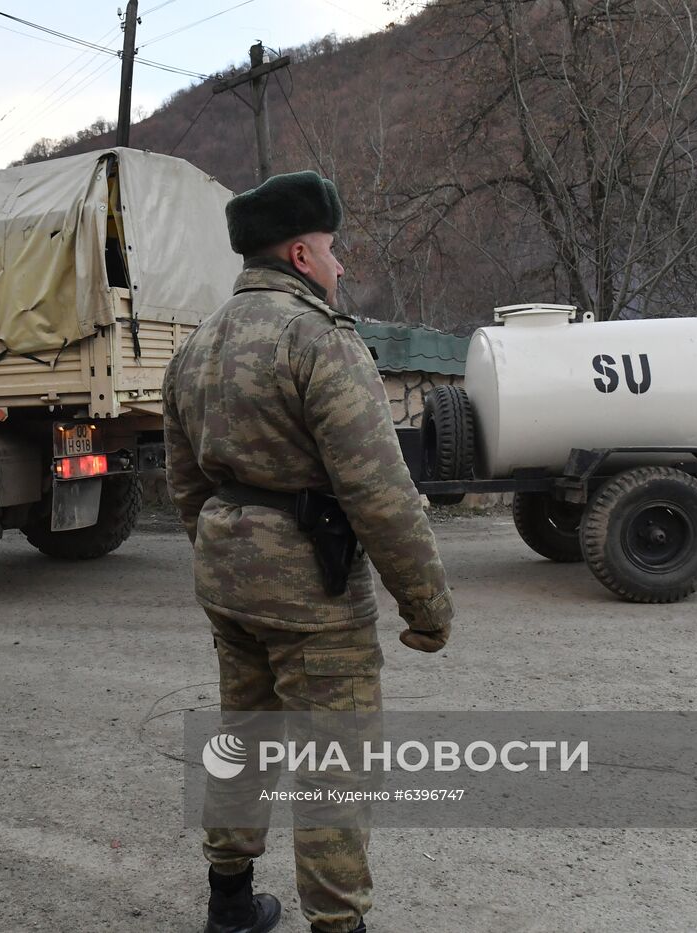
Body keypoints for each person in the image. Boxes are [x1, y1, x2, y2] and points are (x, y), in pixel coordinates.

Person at [163, 172, 455, 933]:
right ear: (300, 253)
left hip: (228, 580)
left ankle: (229, 903)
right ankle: (338, 925)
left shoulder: (194, 348)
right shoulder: (319, 339)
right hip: (312, 591)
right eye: (332, 249)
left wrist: (226, 551)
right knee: (335, 765)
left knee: (242, 733)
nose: (340, 264)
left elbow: (185, 483)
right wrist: (425, 602)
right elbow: (380, 491)